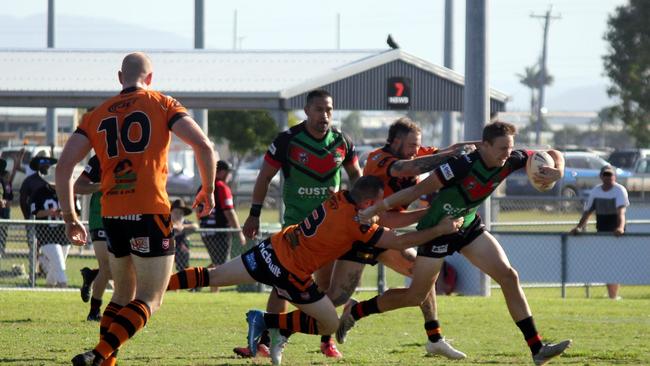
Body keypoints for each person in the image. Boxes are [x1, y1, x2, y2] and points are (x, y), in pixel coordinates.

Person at [338, 121, 573, 366]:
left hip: (467, 225)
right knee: (415, 296)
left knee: (508, 276)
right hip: (436, 230)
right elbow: (414, 193)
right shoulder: (460, 166)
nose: (508, 154)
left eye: (510, 148)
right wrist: (377, 208)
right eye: (502, 148)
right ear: (485, 146)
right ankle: (356, 311)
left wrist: (559, 170)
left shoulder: (512, 159)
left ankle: (537, 348)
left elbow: (552, 153)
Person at [166, 176, 464, 365]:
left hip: (272, 249)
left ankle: (156, 287)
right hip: (291, 273)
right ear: (370, 202)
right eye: (378, 204)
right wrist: (438, 228)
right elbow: (398, 239)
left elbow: (385, 219)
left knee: (213, 275)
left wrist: (427, 212)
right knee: (329, 324)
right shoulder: (357, 222)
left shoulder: (341, 197)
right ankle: (269, 322)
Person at [55, 52, 217, 366]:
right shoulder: (164, 103)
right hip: (150, 210)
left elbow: (63, 168)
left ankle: (107, 361)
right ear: (151, 78)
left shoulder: (96, 114)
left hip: (112, 213)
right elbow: (204, 146)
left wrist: (70, 218)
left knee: (122, 294)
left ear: (119, 78)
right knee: (151, 298)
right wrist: (207, 190)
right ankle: (98, 355)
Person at [329, 117, 478, 359]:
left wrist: (486, 146)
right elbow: (407, 173)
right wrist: (431, 211)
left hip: (384, 234)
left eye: (417, 146)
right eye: (411, 146)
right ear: (396, 142)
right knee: (337, 297)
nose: (415, 151)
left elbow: (451, 149)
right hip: (361, 233)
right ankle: (275, 328)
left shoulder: (414, 153)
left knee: (423, 275)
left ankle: (435, 338)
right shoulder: (379, 158)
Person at [237, 89, 361, 359]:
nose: (324, 115)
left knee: (325, 286)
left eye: (328, 109)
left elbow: (357, 179)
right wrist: (254, 213)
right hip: (295, 229)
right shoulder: (287, 141)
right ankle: (264, 341)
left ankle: (326, 340)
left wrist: (358, 206)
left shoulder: (342, 141)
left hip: (331, 229)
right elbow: (264, 177)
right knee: (281, 285)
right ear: (307, 111)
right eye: (318, 109)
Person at [570, 164, 629, 300]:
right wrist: (579, 227)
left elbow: (621, 212)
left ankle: (613, 295)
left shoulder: (619, 190)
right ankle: (612, 295)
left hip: (616, 235)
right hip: (601, 232)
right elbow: (587, 212)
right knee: (607, 264)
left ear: (614, 176)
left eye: (610, 175)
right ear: (601, 177)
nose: (608, 178)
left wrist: (620, 228)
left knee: (613, 264)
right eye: (605, 175)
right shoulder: (596, 191)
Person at [197, 160, 246, 292]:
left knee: (216, 261)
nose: (229, 176)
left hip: (205, 231)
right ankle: (214, 292)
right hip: (219, 232)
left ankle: (195, 280)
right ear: (221, 172)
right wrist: (238, 232)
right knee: (220, 265)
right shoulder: (221, 187)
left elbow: (198, 211)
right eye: (228, 172)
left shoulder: (203, 186)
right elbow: (229, 211)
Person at [74, 154, 111, 321]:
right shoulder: (99, 158)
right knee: (107, 266)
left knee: (127, 269)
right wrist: (101, 185)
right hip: (101, 216)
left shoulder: (138, 154)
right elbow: (78, 186)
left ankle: (91, 276)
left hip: (127, 215)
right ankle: (94, 312)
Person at [30, 182, 78, 287]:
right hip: (46, 234)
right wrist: (49, 212)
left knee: (56, 264)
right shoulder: (39, 191)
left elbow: (77, 211)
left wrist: (66, 213)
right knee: (59, 262)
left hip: (64, 234)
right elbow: (34, 211)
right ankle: (63, 284)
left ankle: (49, 285)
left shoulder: (68, 190)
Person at [171, 198, 198, 272]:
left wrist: (182, 227)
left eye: (180, 213)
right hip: (167, 251)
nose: (178, 215)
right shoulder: (167, 223)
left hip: (181, 254)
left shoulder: (185, 222)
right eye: (176, 212)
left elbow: (195, 226)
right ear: (171, 212)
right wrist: (173, 227)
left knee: (183, 272)